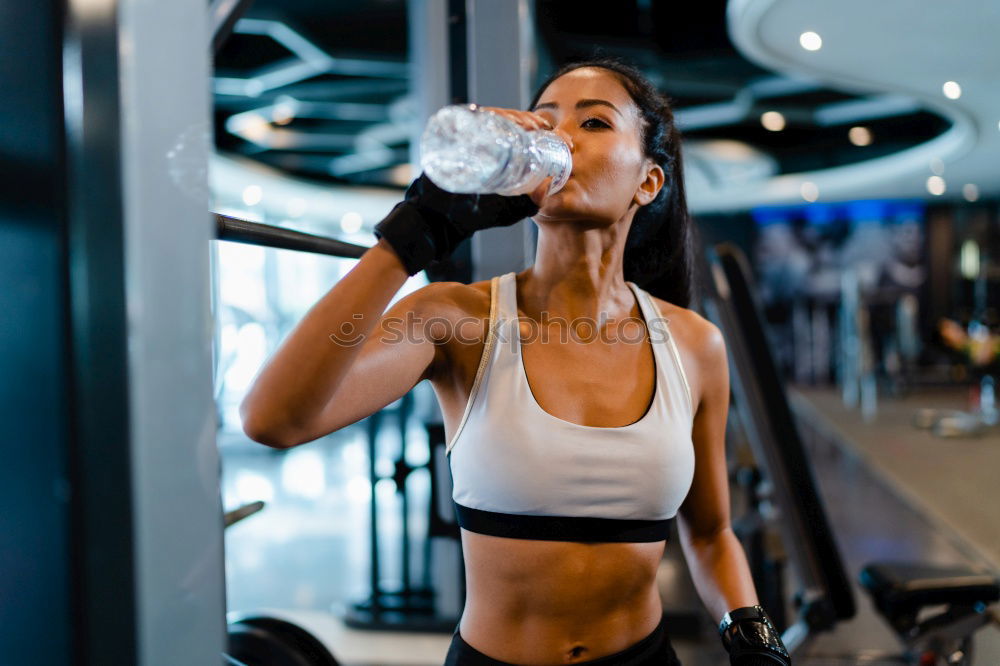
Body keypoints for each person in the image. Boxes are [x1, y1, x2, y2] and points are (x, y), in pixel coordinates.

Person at [240, 58, 791, 666]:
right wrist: (409, 237)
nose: (557, 139)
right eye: (545, 121)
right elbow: (273, 419)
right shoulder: (456, 318)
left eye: (595, 124)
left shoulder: (694, 344)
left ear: (648, 182)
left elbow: (711, 533)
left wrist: (753, 636)